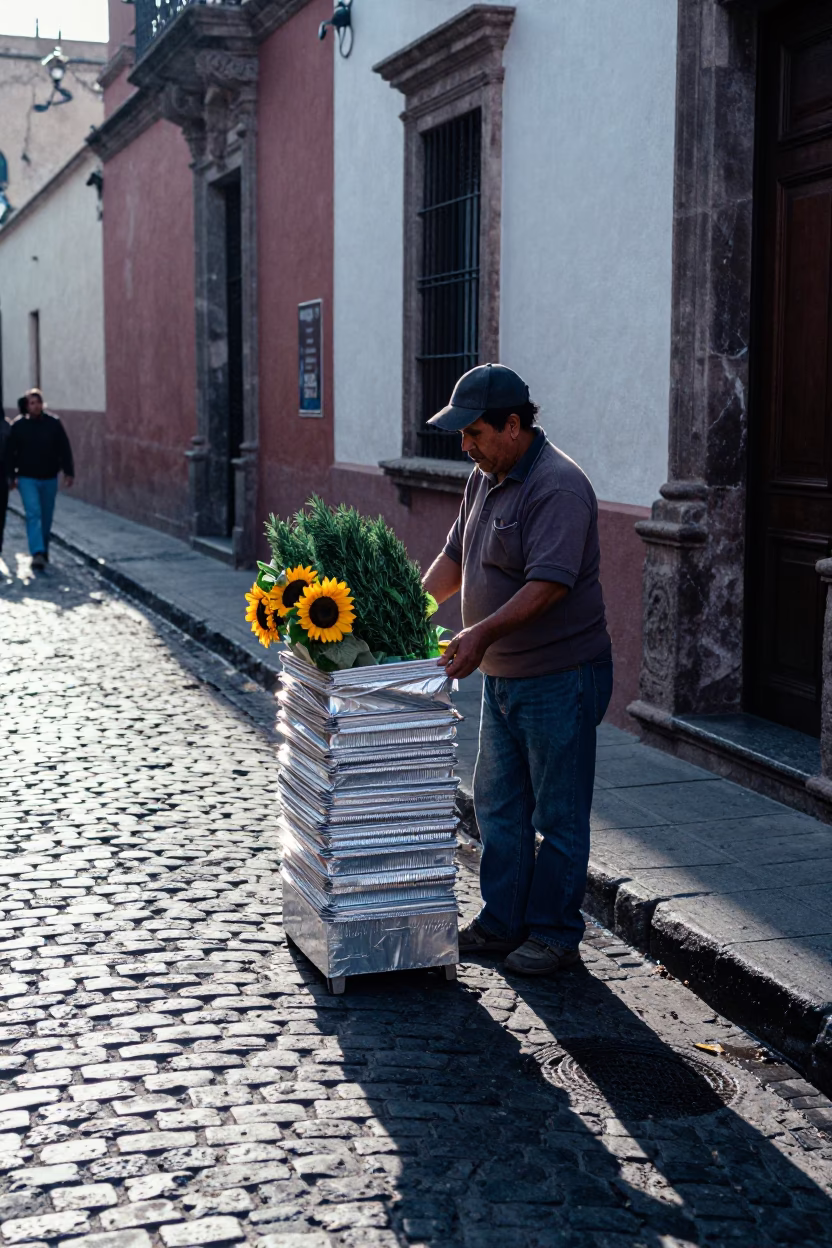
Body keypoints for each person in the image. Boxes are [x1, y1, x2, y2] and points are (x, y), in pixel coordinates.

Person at [422, 363, 613, 976]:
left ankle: (555, 932)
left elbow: (548, 587)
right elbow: (455, 559)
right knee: (497, 805)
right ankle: (502, 921)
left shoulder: (557, 485)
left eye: (473, 432)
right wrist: (407, 612)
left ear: (512, 425)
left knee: (558, 814)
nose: (465, 445)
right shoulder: (485, 476)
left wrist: (478, 634)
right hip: (504, 676)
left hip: (561, 677)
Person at [6, 388, 74, 570]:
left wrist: (69, 471)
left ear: (43, 404)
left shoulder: (53, 424)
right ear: (27, 406)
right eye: (32, 403)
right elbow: (11, 454)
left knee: (46, 515)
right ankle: (37, 552)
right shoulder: (18, 426)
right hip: (27, 477)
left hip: (49, 477)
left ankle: (43, 550)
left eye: (38, 402)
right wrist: (11, 476)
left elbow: (64, 448)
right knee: (33, 513)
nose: (36, 406)